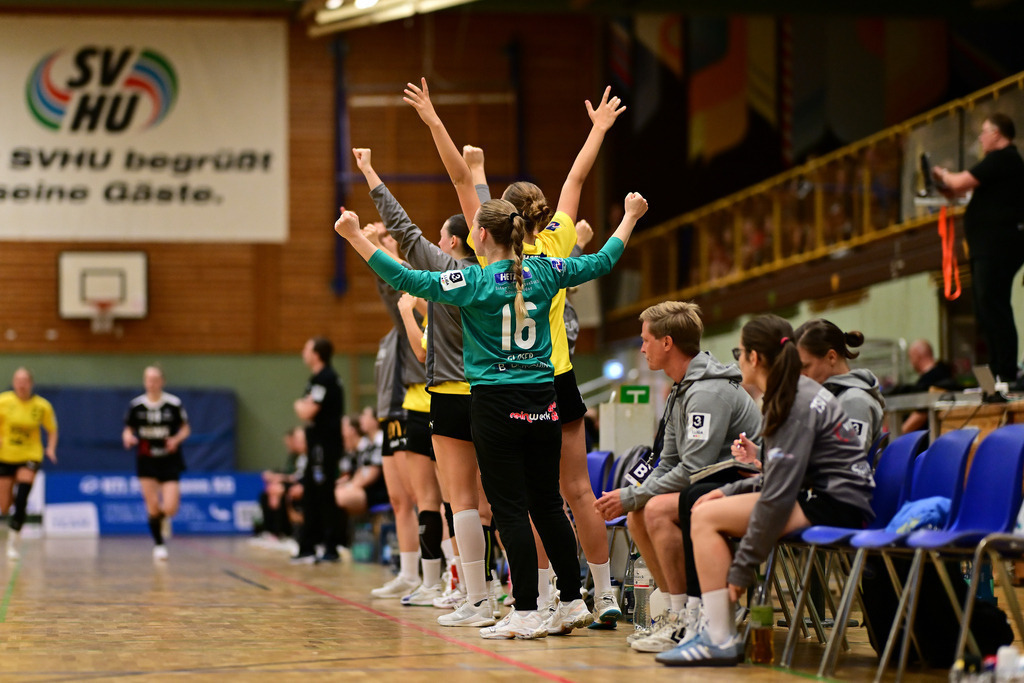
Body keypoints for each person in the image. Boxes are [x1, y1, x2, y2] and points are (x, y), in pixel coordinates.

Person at [335, 189, 648, 640]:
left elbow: (406, 277)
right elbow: (601, 261)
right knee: (548, 504)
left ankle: (527, 610)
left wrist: (355, 238)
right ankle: (572, 598)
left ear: (481, 236)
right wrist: (630, 217)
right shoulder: (547, 270)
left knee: (510, 509)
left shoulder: (474, 281)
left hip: (495, 405)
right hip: (543, 402)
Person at [425, 80, 627, 626]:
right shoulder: (556, 243)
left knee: (520, 501)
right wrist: (598, 130)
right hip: (559, 377)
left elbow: (467, 187)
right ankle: (596, 594)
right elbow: (575, 180)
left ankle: (534, 599)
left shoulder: (491, 258)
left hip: (515, 383)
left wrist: (464, 153)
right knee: (572, 492)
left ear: (492, 226)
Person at [655, 314, 874, 667]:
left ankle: (718, 637)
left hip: (838, 504)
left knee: (705, 518)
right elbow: (778, 473)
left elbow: (777, 496)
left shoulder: (795, 400)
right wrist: (730, 491)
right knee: (706, 506)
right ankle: (714, 631)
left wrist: (742, 569)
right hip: (821, 495)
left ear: (754, 358)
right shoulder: (789, 392)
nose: (738, 359)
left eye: (739, 352)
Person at [353, 147, 500, 627]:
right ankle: (533, 595)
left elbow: (404, 236)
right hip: (497, 392)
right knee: (500, 502)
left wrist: (370, 175)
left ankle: (476, 594)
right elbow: (487, 215)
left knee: (462, 502)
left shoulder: (448, 279)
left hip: (451, 396)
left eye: (442, 236)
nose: (434, 240)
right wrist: (478, 174)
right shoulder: (505, 274)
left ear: (455, 242)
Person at [593, 302, 761, 653]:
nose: (642, 348)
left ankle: (694, 615)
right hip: (709, 482)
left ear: (667, 342)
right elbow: (668, 461)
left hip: (743, 484)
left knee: (652, 510)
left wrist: (632, 496)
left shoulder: (707, 392)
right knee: (638, 514)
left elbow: (693, 469)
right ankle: (676, 614)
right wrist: (633, 495)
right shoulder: (682, 389)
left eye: (646, 340)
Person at [932, 113, 1024, 385]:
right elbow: (961, 191)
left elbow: (959, 182)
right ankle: (996, 371)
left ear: (996, 134)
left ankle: (1006, 371)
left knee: (993, 304)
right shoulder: (1001, 165)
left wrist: (942, 174)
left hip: (998, 247)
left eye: (984, 132)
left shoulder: (1002, 158)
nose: (981, 138)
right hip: (991, 247)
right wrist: (948, 186)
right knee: (987, 307)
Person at [122, 365, 190, 561]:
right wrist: (128, 437)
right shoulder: (136, 405)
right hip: (146, 460)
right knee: (152, 506)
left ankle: (163, 520)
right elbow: (128, 429)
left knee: (170, 508)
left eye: (155, 380)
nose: (151, 383)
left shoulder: (173, 403)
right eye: (148, 380)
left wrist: (176, 439)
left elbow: (185, 429)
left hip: (169, 460)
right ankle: (159, 544)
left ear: (162, 382)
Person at [794, 319, 886, 453]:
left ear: (831, 357)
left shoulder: (854, 401)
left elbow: (846, 459)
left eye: (805, 366)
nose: (801, 376)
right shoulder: (826, 400)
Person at [292, 337, 345, 564]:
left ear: (316, 354)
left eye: (307, 348)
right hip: (316, 446)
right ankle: (309, 547)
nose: (303, 352)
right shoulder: (316, 379)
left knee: (323, 494)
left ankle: (330, 547)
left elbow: (307, 411)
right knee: (312, 493)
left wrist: (299, 404)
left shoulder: (326, 378)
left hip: (325, 446)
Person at [0, 368, 58, 560]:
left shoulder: (42, 406)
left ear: (31, 383)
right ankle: (10, 507)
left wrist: (50, 448)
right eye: (18, 380)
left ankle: (13, 541)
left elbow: (52, 429)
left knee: (22, 497)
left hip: (30, 455)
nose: (21, 384)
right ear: (13, 382)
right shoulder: (3, 401)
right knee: (4, 505)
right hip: (6, 455)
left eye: (25, 380)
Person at [255, 426, 307, 545]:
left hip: (302, 486)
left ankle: (282, 532)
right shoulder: (299, 457)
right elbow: (293, 475)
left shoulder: (308, 456)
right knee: (267, 493)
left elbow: (296, 477)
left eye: (300, 440)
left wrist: (279, 478)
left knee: (278, 490)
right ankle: (271, 531)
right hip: (296, 484)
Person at [900, 339, 955, 434]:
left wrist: (898, 434)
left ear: (916, 356)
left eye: (910, 357)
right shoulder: (945, 373)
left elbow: (921, 414)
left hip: (927, 437)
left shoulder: (928, 381)